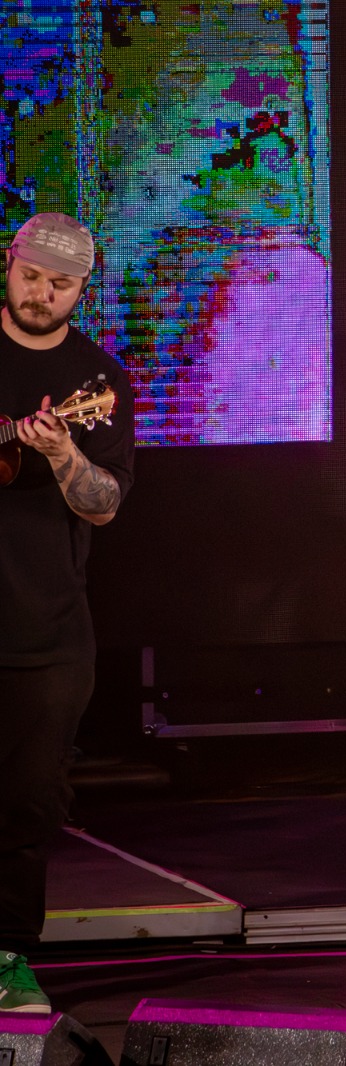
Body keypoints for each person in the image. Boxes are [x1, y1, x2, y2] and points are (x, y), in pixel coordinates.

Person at [0, 212, 135, 1012]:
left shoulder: (97, 382)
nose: (41, 295)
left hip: (41, 629)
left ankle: (8, 959)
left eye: (60, 285)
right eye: (31, 277)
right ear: (8, 264)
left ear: (82, 289)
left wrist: (62, 453)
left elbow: (104, 504)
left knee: (24, 805)